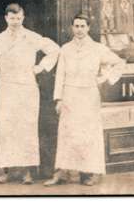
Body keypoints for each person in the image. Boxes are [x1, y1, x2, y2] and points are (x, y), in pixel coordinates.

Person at [44, 13, 125, 187]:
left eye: (83, 26)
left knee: (89, 134)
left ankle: (92, 172)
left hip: (89, 96)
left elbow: (119, 63)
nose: (79, 30)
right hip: (70, 96)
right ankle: (62, 172)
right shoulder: (65, 49)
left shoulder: (97, 48)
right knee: (67, 134)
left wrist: (103, 78)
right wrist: (58, 99)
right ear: (72, 28)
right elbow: (60, 75)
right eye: (76, 26)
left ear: (88, 28)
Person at [0, 3, 59, 184]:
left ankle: (27, 171)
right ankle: (8, 170)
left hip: (27, 86)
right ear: (6, 18)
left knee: (26, 127)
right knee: (6, 128)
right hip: (7, 86)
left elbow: (54, 50)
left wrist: (40, 67)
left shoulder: (31, 37)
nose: (15, 22)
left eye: (18, 18)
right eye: (12, 18)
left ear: (23, 18)